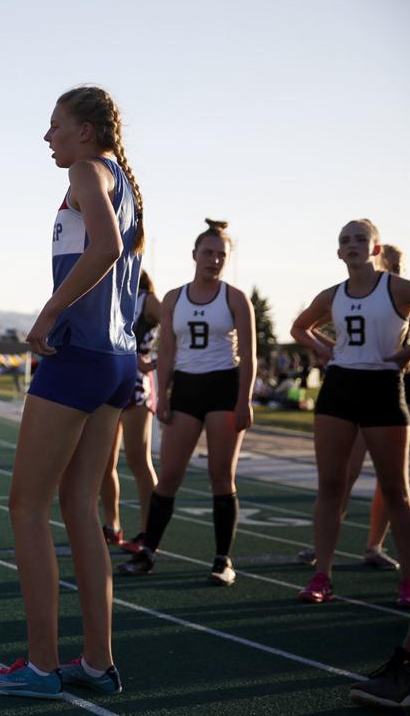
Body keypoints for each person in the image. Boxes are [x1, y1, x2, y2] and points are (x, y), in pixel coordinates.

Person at [0, 86, 142, 700]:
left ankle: (40, 666)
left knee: (25, 508)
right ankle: (97, 661)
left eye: (55, 126)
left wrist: (47, 315)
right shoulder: (118, 175)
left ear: (86, 132)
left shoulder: (88, 171)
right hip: (118, 360)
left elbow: (107, 248)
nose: (47, 138)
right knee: (78, 511)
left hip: (80, 358)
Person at [117, 220, 256, 585]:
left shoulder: (235, 298)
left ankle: (222, 559)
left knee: (220, 476)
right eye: (208, 253)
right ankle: (148, 551)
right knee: (170, 475)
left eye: (221, 255)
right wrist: (162, 395)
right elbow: (166, 352)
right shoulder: (174, 298)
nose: (214, 260)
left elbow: (251, 357)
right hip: (187, 390)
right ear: (194, 254)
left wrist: (244, 401)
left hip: (223, 388)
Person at [291, 220, 410, 606]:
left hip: (382, 387)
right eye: (345, 240)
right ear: (339, 252)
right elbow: (300, 327)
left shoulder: (395, 288)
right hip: (339, 388)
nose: (353, 245)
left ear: (376, 249)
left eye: (361, 238)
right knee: (331, 485)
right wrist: (326, 350)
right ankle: (322, 575)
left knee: (395, 489)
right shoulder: (332, 295)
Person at [100, 269, 161, 554]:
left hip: (136, 388)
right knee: (102, 462)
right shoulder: (110, 295)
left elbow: (178, 331)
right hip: (108, 385)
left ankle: (150, 531)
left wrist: (153, 360)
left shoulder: (147, 300)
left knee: (138, 461)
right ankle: (112, 525)